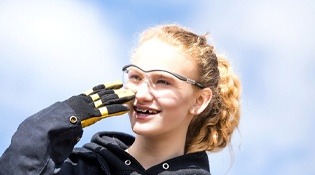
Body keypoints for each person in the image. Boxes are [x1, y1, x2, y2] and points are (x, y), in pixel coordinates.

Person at [0, 24, 241, 175]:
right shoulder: (80, 167)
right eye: (136, 77)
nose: (143, 95)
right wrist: (60, 119)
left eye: (163, 81)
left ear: (199, 101)